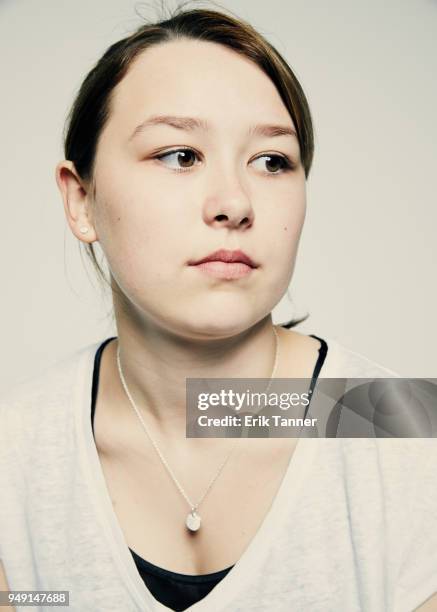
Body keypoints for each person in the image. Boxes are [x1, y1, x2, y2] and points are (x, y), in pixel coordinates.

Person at [0, 5, 436, 612]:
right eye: (180, 155)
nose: (234, 202)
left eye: (272, 161)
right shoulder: (13, 453)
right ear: (81, 201)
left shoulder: (410, 432)